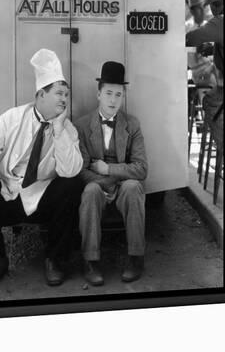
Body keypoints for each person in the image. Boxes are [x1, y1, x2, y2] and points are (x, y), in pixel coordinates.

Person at [0, 48, 83, 288]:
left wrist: (58, 129)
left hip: (42, 198)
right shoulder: (11, 119)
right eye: (59, 93)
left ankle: (55, 261)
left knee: (72, 184)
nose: (64, 99)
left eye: (66, 95)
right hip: (11, 194)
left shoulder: (67, 130)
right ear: (41, 95)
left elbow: (71, 170)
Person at [75, 61, 148, 286]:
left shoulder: (132, 124)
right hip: (96, 184)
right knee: (89, 192)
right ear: (98, 94)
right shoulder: (81, 125)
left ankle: (136, 258)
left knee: (134, 187)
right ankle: (91, 261)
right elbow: (81, 169)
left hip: (123, 183)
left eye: (118, 94)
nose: (113, 100)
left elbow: (142, 168)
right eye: (108, 93)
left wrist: (109, 170)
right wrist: (103, 181)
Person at [186, 0, 224, 150]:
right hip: (205, 75)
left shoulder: (219, 21)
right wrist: (212, 48)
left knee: (209, 101)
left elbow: (193, 38)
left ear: (216, 5)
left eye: (208, 7)